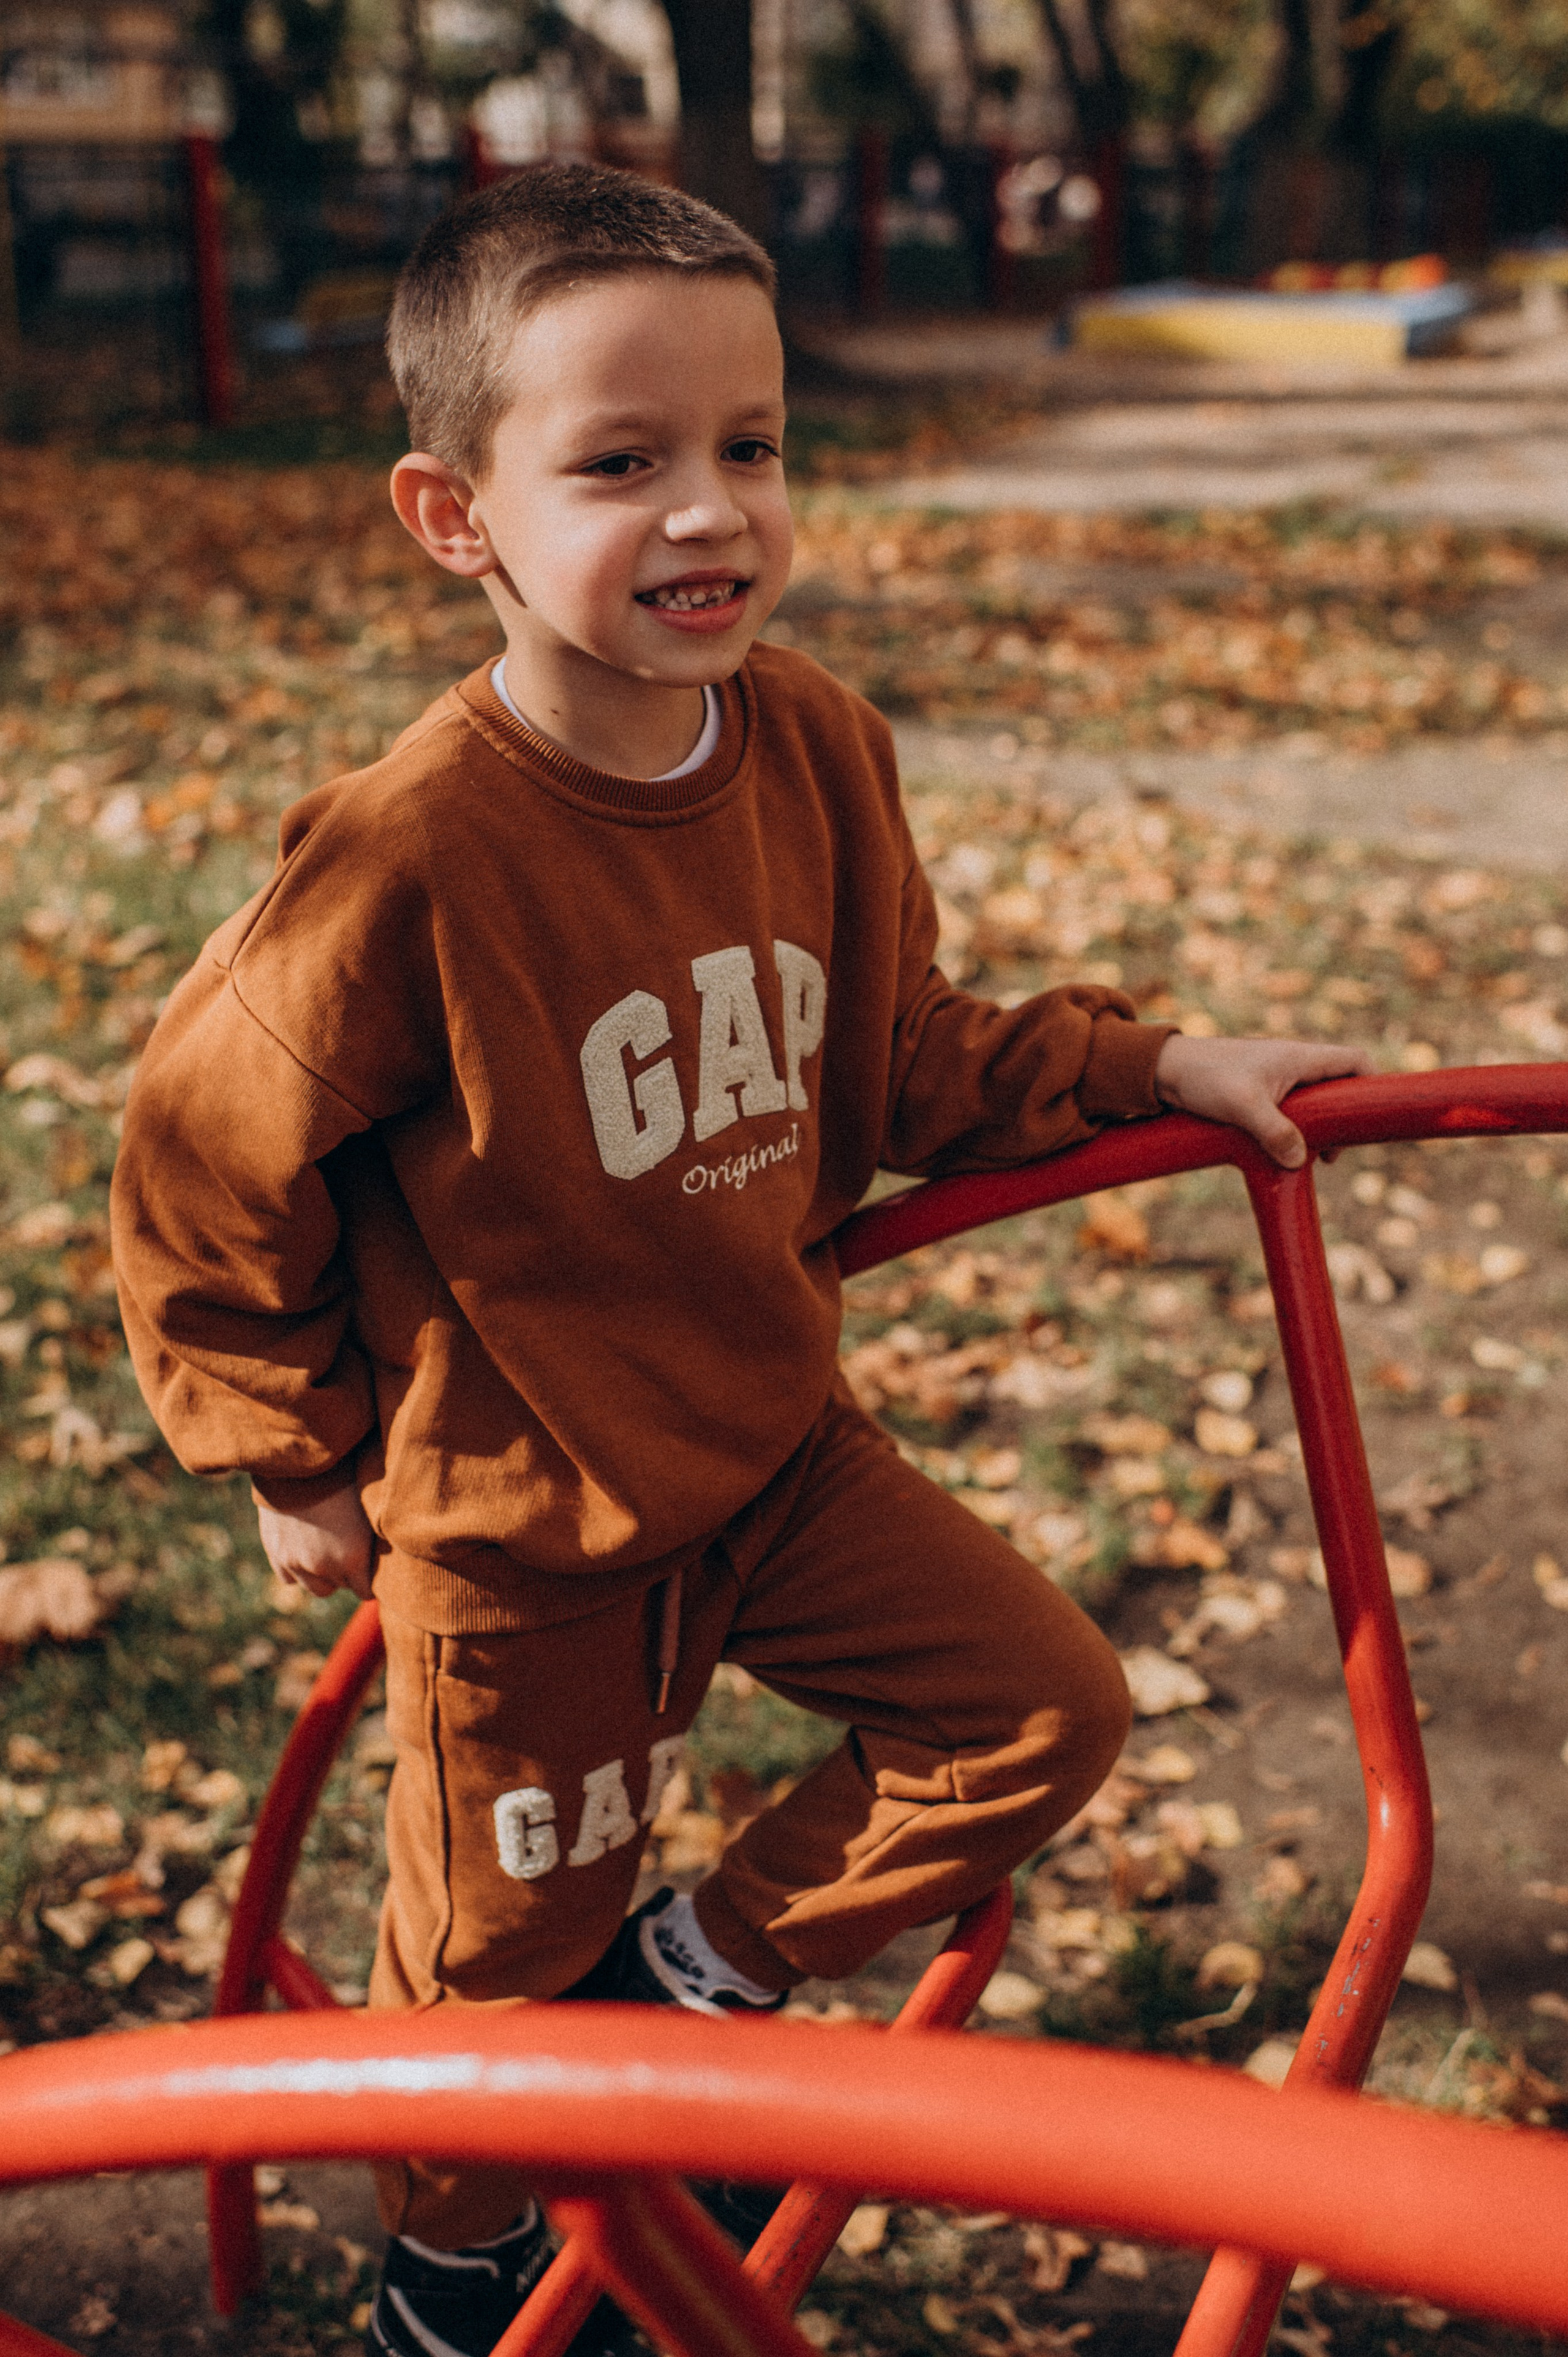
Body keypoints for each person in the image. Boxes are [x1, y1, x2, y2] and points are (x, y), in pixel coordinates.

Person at [110, 161, 1371, 2357]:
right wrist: (286, 1451)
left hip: (775, 1446)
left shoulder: (812, 746)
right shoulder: (414, 853)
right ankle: (453, 2266)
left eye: (752, 450)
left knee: (1036, 1712)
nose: (711, 514)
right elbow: (197, 1156)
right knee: (490, 1986)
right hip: (528, 1526)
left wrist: (1155, 1056)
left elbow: (894, 1053)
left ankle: (687, 1996)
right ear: (455, 516)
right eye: (623, 463)